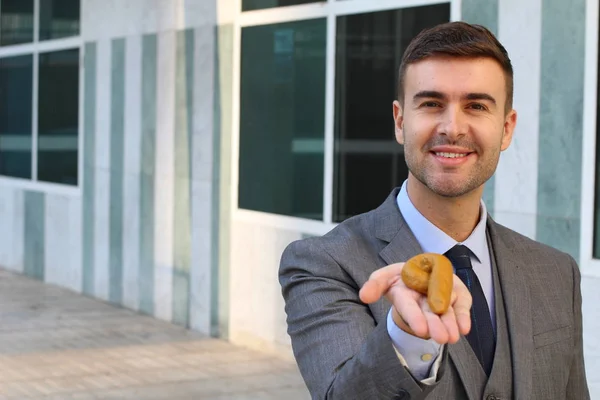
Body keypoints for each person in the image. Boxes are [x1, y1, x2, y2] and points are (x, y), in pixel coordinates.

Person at [278, 21, 590, 400]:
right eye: (431, 104)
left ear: (506, 129)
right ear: (400, 121)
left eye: (476, 105)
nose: (452, 127)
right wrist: (407, 338)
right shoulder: (323, 263)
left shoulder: (557, 273)